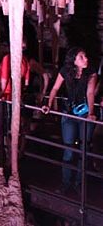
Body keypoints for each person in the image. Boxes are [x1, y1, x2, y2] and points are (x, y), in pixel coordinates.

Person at [42, 47, 97, 192]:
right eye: (82, 57)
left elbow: (90, 93)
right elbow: (54, 88)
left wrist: (91, 112)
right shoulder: (65, 71)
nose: (86, 59)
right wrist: (48, 105)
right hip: (69, 113)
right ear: (74, 60)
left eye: (85, 56)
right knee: (68, 149)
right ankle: (66, 183)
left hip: (84, 114)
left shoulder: (91, 73)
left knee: (83, 150)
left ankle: (79, 184)